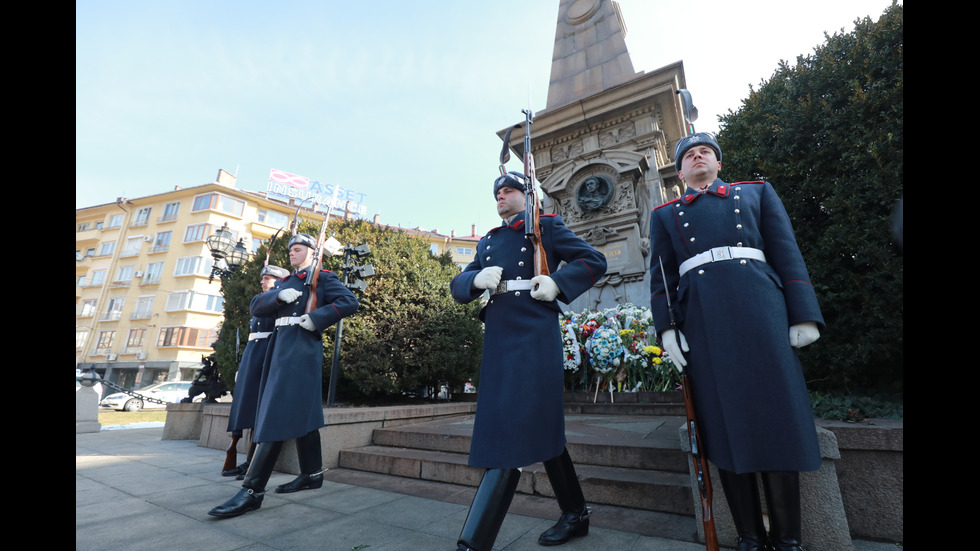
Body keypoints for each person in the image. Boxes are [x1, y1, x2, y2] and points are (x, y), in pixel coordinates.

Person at [649, 132, 825, 551]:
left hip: (762, 310)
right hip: (703, 321)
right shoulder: (665, 214)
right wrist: (668, 327)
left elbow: (787, 253)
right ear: (680, 172)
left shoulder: (757, 194)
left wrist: (803, 313)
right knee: (724, 425)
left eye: (705, 151)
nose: (697, 156)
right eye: (689, 155)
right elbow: (662, 277)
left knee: (778, 418)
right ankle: (749, 536)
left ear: (718, 163)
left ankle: (788, 539)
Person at [449, 172, 607, 551]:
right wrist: (473, 280)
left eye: (509, 190)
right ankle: (576, 513)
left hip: (534, 332)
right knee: (534, 423)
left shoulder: (547, 227)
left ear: (527, 195)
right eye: (497, 192)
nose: (501, 196)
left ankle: (476, 539)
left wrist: (558, 283)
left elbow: (593, 259)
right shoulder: (488, 240)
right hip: (501, 335)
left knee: (517, 422)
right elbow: (460, 285)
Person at [208, 233, 359, 519]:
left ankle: (252, 491)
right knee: (303, 414)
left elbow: (349, 302)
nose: (292, 252)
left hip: (300, 350)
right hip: (278, 350)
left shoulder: (323, 277)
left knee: (275, 414)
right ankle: (313, 474)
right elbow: (256, 306)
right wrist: (277, 295)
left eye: (298, 249)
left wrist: (316, 318)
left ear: (312, 252)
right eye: (290, 249)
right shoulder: (287, 281)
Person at [221, 264, 290, 480]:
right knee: (246, 408)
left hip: (265, 355)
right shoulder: (262, 301)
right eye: (264, 278)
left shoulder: (279, 301)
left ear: (278, 281)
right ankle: (245, 461)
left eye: (268, 278)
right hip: (252, 356)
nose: (263, 282)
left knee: (260, 411)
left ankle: (253, 462)